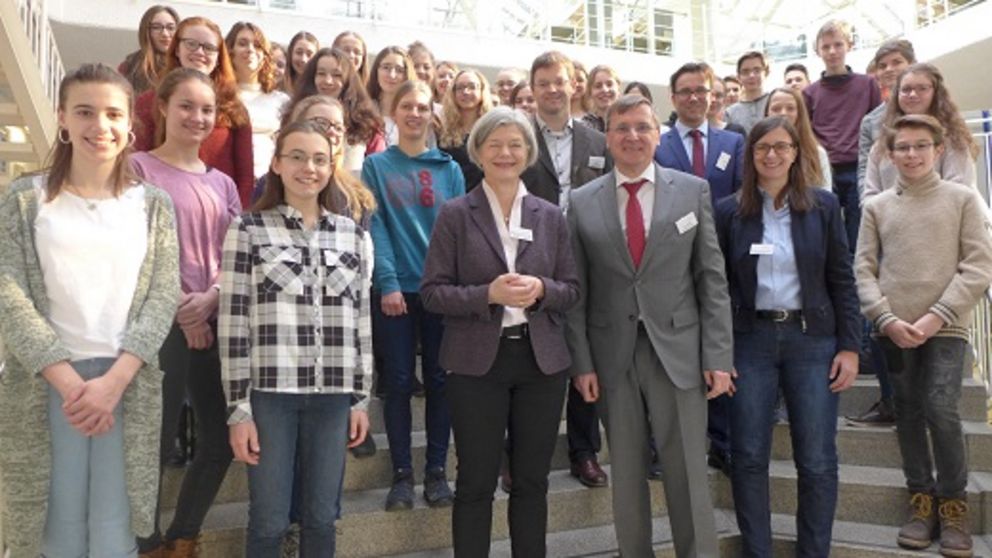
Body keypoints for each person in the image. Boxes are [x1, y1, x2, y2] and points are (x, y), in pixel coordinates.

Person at [0, 63, 179, 558]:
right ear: (62, 118)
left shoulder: (153, 205)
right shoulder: (24, 199)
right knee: (53, 525)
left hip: (127, 383)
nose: (99, 126)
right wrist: (72, 385)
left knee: (114, 527)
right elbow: (8, 293)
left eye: (112, 114)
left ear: (129, 127)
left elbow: (163, 295)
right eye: (84, 112)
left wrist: (114, 382)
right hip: (49, 384)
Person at [567, 93, 733, 557]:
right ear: (608, 136)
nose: (632, 136)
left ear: (658, 134)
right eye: (622, 128)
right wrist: (581, 363)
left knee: (688, 476)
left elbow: (711, 279)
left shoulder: (692, 189)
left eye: (642, 127)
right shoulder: (582, 202)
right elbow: (576, 291)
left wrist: (719, 356)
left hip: (678, 351)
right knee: (625, 474)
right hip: (612, 355)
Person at [420, 105, 580, 557]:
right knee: (474, 481)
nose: (506, 153)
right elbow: (432, 294)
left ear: (528, 151)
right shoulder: (456, 213)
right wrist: (487, 294)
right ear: (478, 151)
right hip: (476, 365)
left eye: (515, 144)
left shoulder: (550, 215)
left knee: (532, 481)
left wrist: (541, 288)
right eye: (495, 144)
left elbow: (571, 290)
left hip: (540, 362)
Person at [219, 119, 373, 556]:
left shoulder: (354, 235)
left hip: (333, 397)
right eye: (298, 157)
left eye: (320, 159)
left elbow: (361, 322)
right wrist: (238, 410)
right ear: (278, 164)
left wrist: (360, 398)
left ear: (332, 167)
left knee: (323, 518)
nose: (310, 168)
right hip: (270, 398)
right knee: (268, 520)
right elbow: (232, 324)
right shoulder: (247, 229)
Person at [714, 116, 861, 557]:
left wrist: (851, 347)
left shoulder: (822, 206)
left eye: (781, 146)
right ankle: (758, 551)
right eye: (762, 148)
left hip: (812, 341)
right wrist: (720, 351)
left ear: (797, 153)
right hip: (750, 341)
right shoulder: (728, 211)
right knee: (750, 455)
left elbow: (842, 279)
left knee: (816, 461)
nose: (772, 155)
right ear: (750, 156)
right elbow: (716, 287)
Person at [855, 114, 992, 558]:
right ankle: (921, 499)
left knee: (941, 407)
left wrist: (937, 315)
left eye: (920, 146)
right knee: (909, 411)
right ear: (889, 155)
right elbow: (863, 270)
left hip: (945, 329)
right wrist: (885, 318)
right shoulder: (876, 207)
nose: (911, 155)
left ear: (937, 150)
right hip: (893, 330)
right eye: (903, 148)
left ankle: (954, 505)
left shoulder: (962, 199)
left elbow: (977, 265)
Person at [131, 67, 242, 557]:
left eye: (207, 109)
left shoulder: (223, 184)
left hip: (215, 319)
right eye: (187, 106)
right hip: (157, 324)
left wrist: (211, 297)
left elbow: (235, 254)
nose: (198, 117)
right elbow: (131, 248)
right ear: (163, 108)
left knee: (219, 442)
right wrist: (181, 309)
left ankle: (183, 537)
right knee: (152, 445)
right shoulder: (136, 169)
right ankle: (145, 542)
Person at [362, 80, 466, 511]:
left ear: (431, 114)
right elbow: (377, 225)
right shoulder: (376, 167)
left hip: (440, 290)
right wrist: (387, 281)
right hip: (397, 290)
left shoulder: (450, 170)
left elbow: (460, 231)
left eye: (422, 107)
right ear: (394, 110)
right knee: (401, 381)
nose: (414, 113)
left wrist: (455, 287)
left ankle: (437, 472)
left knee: (442, 382)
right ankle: (402, 475)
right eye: (406, 106)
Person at [521, 50, 612, 490]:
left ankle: (584, 451)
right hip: (529, 262)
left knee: (584, 353)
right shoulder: (517, 138)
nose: (553, 89)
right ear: (533, 89)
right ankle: (513, 451)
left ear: (574, 85)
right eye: (544, 82)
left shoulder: (598, 141)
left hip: (586, 261)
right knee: (521, 357)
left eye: (560, 81)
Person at [133, 16, 255, 207]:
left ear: (218, 57)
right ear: (177, 50)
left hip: (217, 211)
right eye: (191, 44)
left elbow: (245, 177)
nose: (200, 52)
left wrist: (236, 221)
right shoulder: (148, 102)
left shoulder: (235, 109)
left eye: (209, 47)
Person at [803, 19, 881, 251]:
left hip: (859, 169)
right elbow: (806, 132)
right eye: (826, 46)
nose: (832, 51)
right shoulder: (809, 93)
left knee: (859, 235)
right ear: (817, 51)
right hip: (825, 171)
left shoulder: (867, 85)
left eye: (838, 44)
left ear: (849, 45)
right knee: (826, 233)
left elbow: (875, 126)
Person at [863, 64, 976, 200]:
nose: (912, 94)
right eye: (906, 89)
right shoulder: (881, 146)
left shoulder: (953, 140)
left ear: (935, 93)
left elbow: (959, 193)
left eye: (922, 88)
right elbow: (870, 196)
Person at [655, 62, 745, 202]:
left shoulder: (733, 143)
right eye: (685, 92)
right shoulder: (657, 145)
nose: (694, 98)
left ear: (710, 96)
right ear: (673, 99)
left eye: (700, 90)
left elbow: (742, 191)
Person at [290, 48, 386, 177]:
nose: (328, 80)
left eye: (337, 75)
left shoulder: (366, 124)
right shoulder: (295, 116)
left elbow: (378, 170)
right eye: (321, 73)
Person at [855, 39, 916, 208]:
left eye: (896, 62)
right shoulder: (870, 121)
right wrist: (868, 205)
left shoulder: (931, 109)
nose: (889, 69)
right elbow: (864, 170)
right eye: (882, 66)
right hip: (887, 207)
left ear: (912, 65)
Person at [226, 22, 290, 180]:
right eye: (242, 43)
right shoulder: (217, 96)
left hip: (269, 184)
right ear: (230, 51)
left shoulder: (282, 101)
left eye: (257, 45)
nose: (250, 49)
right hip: (229, 179)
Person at [765, 86, 832, 188]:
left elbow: (826, 196)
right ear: (767, 114)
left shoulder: (816, 153)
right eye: (776, 109)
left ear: (799, 113)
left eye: (790, 108)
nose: (783, 113)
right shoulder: (759, 152)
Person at [439, 69, 493, 190]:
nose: (466, 92)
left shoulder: (492, 130)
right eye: (460, 88)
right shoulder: (442, 130)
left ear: (482, 91)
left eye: (472, 87)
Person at [118, 5, 179, 95]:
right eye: (156, 27)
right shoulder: (130, 66)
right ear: (146, 31)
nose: (165, 34)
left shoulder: (184, 64)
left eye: (170, 28)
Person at [367, 46, 418, 146]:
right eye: (386, 67)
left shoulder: (416, 114)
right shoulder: (363, 111)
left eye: (399, 70)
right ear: (376, 70)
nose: (392, 75)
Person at [725, 51, 771, 134]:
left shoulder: (775, 102)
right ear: (738, 77)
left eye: (757, 70)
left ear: (766, 72)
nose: (751, 75)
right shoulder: (730, 112)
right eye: (745, 72)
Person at [581, 64, 620, 133]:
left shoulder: (630, 124)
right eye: (598, 86)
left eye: (609, 84)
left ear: (618, 88)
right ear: (590, 93)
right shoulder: (583, 129)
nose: (605, 90)